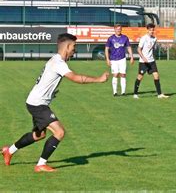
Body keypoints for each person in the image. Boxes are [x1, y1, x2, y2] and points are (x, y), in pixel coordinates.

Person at [1, 33, 109, 172]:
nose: (74, 50)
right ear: (68, 46)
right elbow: (76, 78)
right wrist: (98, 79)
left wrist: (50, 93)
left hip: (35, 101)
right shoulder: (59, 63)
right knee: (59, 132)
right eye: (74, 46)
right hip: (38, 104)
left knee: (38, 135)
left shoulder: (55, 60)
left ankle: (8, 151)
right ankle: (41, 164)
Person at [133, 23, 169, 99]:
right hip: (143, 62)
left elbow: (151, 49)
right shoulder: (143, 38)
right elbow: (138, 49)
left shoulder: (154, 38)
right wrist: (143, 58)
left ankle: (159, 94)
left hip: (152, 61)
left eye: (153, 30)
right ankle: (135, 94)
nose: (152, 31)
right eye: (150, 30)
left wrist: (152, 57)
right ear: (147, 30)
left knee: (156, 76)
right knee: (140, 77)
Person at [105, 24, 134, 96]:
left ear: (121, 29)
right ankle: (115, 92)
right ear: (114, 29)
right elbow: (106, 49)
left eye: (120, 29)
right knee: (115, 74)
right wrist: (107, 59)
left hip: (122, 59)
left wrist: (131, 57)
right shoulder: (110, 38)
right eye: (117, 29)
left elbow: (129, 47)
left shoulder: (125, 38)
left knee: (123, 74)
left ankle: (123, 92)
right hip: (113, 59)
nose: (118, 30)